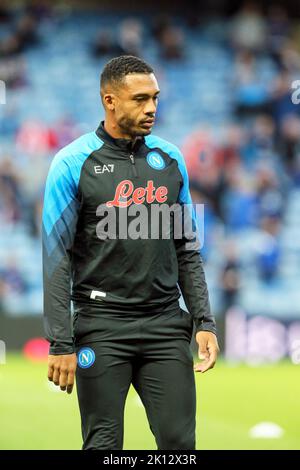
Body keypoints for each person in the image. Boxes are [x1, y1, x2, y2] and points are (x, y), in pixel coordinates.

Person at [42, 55, 219, 450]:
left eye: (155, 98)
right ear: (110, 100)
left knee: (179, 444)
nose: (152, 108)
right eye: (140, 99)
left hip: (165, 325)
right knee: (103, 445)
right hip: (100, 326)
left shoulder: (171, 159)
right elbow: (56, 258)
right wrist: (60, 343)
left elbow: (187, 248)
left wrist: (205, 321)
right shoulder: (72, 162)